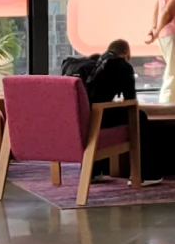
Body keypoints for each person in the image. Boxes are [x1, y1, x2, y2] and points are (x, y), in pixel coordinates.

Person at [63, 40, 161, 185]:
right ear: (126, 54)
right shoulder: (122, 66)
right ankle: (145, 174)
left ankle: (93, 171)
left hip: (76, 119)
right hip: (98, 118)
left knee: (101, 112)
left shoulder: (90, 62)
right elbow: (130, 101)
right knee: (139, 116)